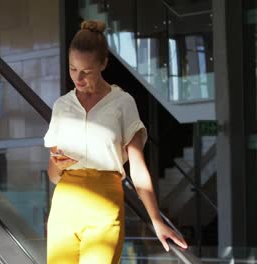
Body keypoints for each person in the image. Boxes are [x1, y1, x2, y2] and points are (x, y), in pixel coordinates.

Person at [44, 20, 188, 264]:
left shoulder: (123, 103)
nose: (78, 78)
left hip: (104, 204)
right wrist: (59, 164)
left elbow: (138, 168)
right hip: (65, 203)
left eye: (86, 71)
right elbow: (52, 174)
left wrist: (156, 220)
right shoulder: (62, 106)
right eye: (72, 69)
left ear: (103, 63)